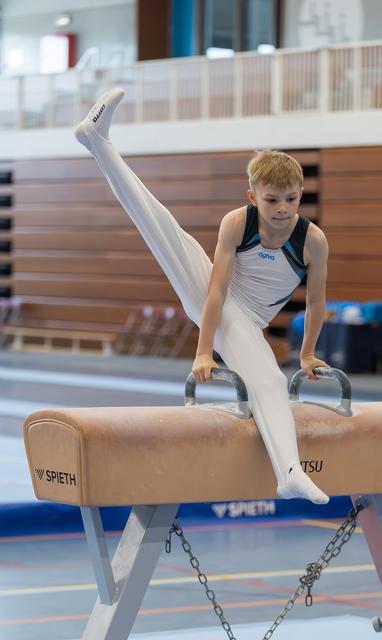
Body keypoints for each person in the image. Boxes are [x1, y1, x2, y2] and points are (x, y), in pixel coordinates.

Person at [75, 88, 330, 504]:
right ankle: (97, 141)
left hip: (247, 321)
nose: (282, 208)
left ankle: (288, 471)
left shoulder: (313, 241)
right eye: (271, 200)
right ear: (252, 197)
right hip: (216, 298)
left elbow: (317, 303)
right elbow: (216, 290)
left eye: (290, 199)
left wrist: (306, 354)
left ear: (301, 194)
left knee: (267, 376)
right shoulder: (237, 222)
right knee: (161, 225)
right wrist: (203, 352)